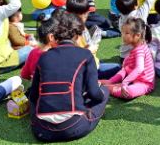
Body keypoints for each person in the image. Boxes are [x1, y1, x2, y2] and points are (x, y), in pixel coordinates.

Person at [29, 13, 109, 142]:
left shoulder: (43, 57)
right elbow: (95, 93)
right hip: (73, 127)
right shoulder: (86, 54)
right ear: (78, 36)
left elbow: (33, 96)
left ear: (55, 35)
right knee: (104, 91)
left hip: (41, 129)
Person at [101, 18, 155, 100]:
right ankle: (107, 85)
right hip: (134, 81)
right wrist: (111, 80)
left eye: (127, 33)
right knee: (115, 81)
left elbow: (139, 68)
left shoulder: (140, 50)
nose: (123, 36)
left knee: (128, 92)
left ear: (138, 35)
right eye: (123, 32)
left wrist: (124, 83)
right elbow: (125, 69)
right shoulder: (135, 48)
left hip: (144, 84)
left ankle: (106, 88)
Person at [21, 16, 59, 81]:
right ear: (51, 37)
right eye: (60, 36)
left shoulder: (33, 52)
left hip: (36, 89)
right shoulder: (58, 55)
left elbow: (25, 75)